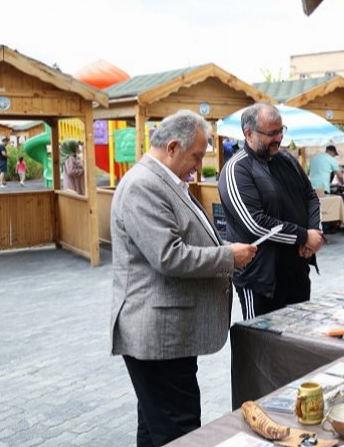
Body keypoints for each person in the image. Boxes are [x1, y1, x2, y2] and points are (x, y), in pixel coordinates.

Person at [110, 110, 257, 446]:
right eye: (196, 156)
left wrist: (225, 249)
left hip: (168, 335)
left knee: (156, 427)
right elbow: (168, 255)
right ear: (173, 147)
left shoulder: (163, 182)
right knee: (180, 429)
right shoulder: (143, 186)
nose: (198, 164)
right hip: (158, 336)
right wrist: (227, 256)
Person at [219, 102, 323, 319]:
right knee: (262, 347)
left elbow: (310, 196)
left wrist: (315, 232)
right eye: (271, 133)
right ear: (248, 134)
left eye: (281, 131)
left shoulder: (286, 159)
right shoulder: (237, 169)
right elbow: (255, 223)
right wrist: (303, 236)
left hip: (296, 271)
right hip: (260, 279)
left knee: (300, 341)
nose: (279, 138)